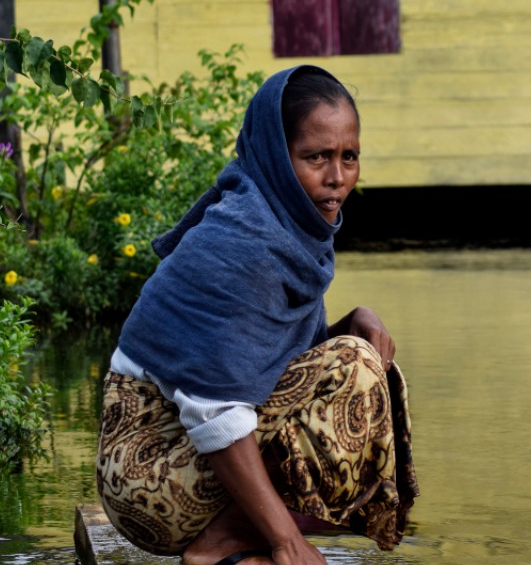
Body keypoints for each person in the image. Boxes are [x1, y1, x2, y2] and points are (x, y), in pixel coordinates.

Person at [95, 65, 418, 565]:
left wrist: (352, 318)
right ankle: (222, 544)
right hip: (146, 480)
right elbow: (213, 405)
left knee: (366, 359)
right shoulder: (243, 240)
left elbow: (266, 364)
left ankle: (233, 538)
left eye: (348, 157)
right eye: (316, 158)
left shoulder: (288, 230)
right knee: (354, 367)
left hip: (182, 465)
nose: (337, 178)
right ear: (275, 157)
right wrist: (288, 541)